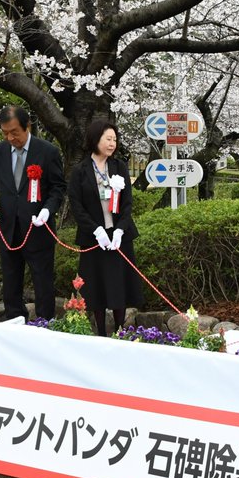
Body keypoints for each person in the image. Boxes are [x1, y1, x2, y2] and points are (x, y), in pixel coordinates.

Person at [0, 106, 67, 321]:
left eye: (14, 132)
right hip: (8, 228)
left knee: (42, 280)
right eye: (5, 133)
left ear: (27, 126)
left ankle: (45, 324)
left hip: (38, 227)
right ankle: (14, 321)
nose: (10, 137)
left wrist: (48, 209)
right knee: (11, 281)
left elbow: (58, 188)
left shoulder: (47, 152)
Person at [67, 120, 142, 336]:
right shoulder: (81, 170)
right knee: (96, 286)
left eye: (114, 139)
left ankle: (119, 331)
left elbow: (127, 202)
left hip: (119, 236)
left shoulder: (118, 167)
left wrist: (119, 229)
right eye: (107, 139)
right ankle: (101, 332)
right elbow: (77, 206)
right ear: (95, 139)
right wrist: (96, 230)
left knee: (120, 284)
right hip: (94, 238)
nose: (112, 143)